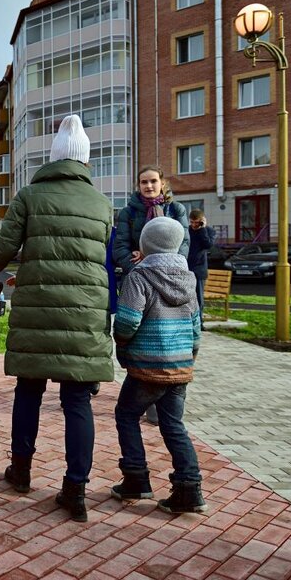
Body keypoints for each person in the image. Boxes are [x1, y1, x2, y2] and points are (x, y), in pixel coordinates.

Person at [0, 114, 113, 523]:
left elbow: (5, 247)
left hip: (37, 310)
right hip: (85, 312)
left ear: (54, 157)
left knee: (29, 391)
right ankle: (76, 489)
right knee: (77, 400)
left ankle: (21, 471)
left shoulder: (29, 196)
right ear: (85, 161)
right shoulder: (102, 205)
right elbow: (90, 257)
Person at [111, 216, 207, 515]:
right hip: (179, 367)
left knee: (126, 415)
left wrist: (121, 342)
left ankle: (136, 479)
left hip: (146, 367)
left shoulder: (138, 277)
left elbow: (127, 321)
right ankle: (190, 490)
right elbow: (196, 328)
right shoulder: (189, 279)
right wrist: (188, 359)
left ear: (145, 245)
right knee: (173, 425)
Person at [112, 166, 189, 425]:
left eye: (153, 181)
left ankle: (168, 401)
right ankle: (146, 395)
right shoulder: (129, 213)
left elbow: (183, 243)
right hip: (139, 282)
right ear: (138, 185)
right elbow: (120, 248)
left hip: (172, 281)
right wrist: (139, 267)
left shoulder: (176, 209)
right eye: (143, 182)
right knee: (143, 336)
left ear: (162, 183)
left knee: (169, 336)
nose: (148, 186)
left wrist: (161, 262)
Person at [187, 209, 216, 326]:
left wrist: (202, 229)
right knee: (186, 297)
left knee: (199, 298)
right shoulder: (187, 230)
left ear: (202, 221)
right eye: (192, 222)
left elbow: (208, 245)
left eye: (196, 222)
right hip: (186, 268)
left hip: (199, 270)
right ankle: (188, 321)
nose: (194, 225)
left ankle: (199, 322)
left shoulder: (208, 231)